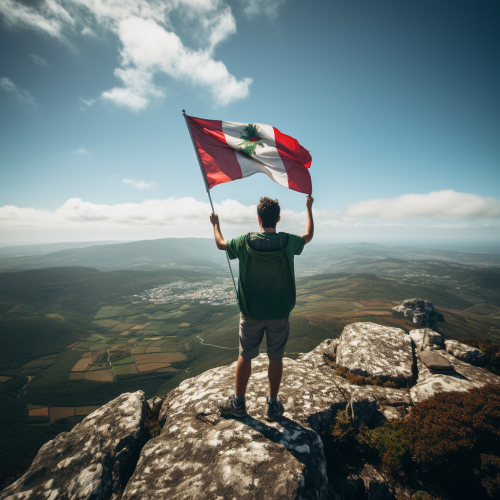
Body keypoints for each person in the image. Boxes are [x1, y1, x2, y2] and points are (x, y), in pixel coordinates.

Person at [209, 194, 314, 421]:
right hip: (279, 312)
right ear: (278, 219)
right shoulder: (288, 242)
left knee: (245, 356)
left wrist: (216, 225)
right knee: (275, 358)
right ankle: (272, 406)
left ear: (259, 219)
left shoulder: (244, 241)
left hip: (251, 313)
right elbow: (308, 235)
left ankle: (238, 403)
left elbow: (220, 244)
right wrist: (308, 208)